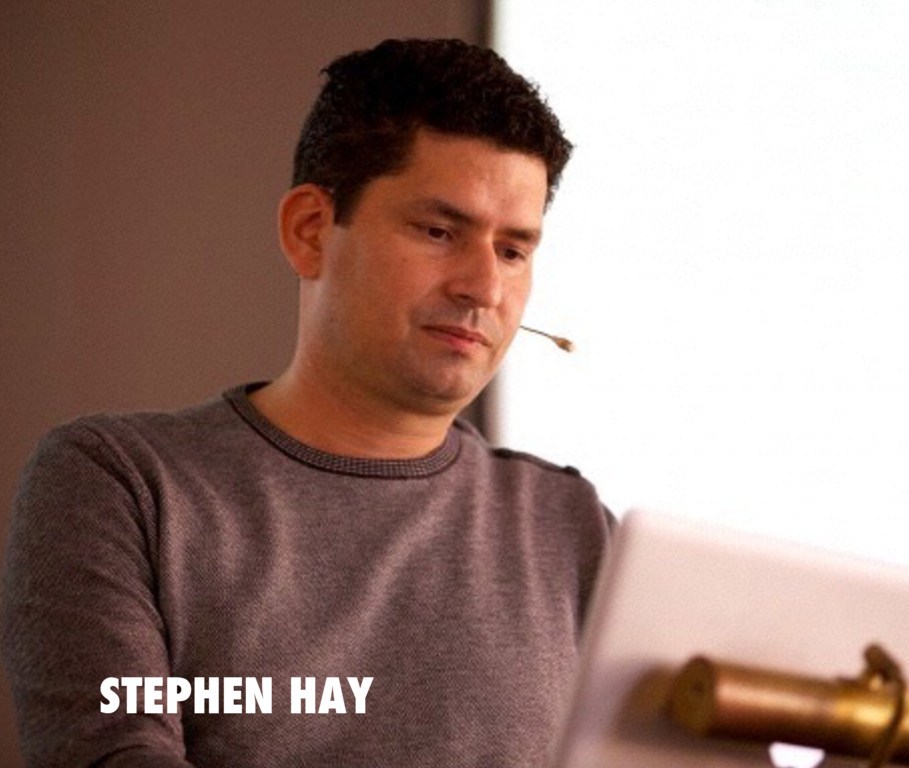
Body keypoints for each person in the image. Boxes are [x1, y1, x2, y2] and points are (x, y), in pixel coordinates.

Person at [1, 38, 614, 767]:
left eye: (512, 251)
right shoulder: (120, 484)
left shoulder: (573, 527)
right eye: (438, 231)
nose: (484, 287)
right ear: (310, 231)